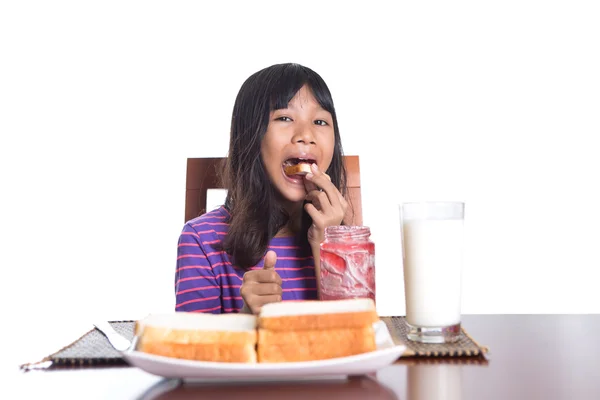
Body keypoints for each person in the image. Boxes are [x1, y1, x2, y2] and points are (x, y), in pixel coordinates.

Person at [175, 63, 352, 314]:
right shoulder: (201, 240)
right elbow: (193, 348)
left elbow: (356, 337)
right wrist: (247, 318)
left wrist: (328, 245)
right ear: (251, 136)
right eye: (284, 118)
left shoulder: (348, 240)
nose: (306, 135)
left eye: (320, 121)